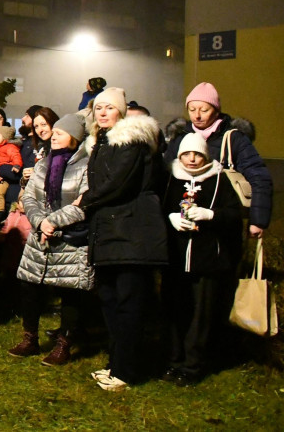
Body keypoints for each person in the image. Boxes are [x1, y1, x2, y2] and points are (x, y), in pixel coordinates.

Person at [79, 87, 166, 391]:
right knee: (110, 299)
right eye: (97, 108)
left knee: (129, 303)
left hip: (131, 232)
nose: (102, 113)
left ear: (121, 112)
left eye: (109, 108)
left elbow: (117, 185)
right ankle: (116, 364)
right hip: (110, 231)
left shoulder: (130, 142)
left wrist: (84, 200)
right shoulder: (101, 143)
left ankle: (127, 371)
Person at [8, 114, 92, 366]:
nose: (53, 135)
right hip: (40, 236)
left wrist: (52, 222)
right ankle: (29, 338)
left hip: (69, 238)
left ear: (75, 138)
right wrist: (39, 222)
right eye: (53, 132)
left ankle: (64, 343)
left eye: (60, 132)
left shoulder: (86, 166)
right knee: (30, 287)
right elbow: (30, 196)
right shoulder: (44, 163)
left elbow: (84, 203)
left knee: (70, 292)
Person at [161, 133, 243, 386]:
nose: (192, 159)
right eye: (187, 154)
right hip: (175, 258)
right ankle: (173, 361)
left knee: (201, 314)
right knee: (175, 310)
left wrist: (211, 215)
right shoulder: (171, 179)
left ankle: (192, 365)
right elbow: (158, 209)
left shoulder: (218, 180)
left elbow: (233, 215)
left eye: (198, 154)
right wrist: (171, 218)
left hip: (206, 259)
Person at [164, 82, 272, 239]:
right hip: (182, 227)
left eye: (204, 110)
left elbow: (259, 177)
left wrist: (258, 220)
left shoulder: (234, 139)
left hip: (221, 229)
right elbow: (165, 180)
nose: (197, 115)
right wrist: (169, 215)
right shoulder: (179, 139)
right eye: (192, 110)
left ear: (216, 110)